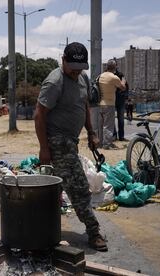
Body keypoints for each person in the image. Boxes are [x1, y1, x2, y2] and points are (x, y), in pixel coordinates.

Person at [34, 42, 107, 251]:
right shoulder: (55, 82)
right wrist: (44, 149)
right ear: (63, 60)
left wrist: (91, 132)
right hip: (58, 141)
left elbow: (83, 104)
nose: (76, 73)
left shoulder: (82, 77)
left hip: (71, 141)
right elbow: (39, 115)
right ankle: (94, 232)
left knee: (56, 186)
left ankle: (42, 227)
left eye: (80, 68)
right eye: (73, 68)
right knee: (79, 188)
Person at [98, 59, 126, 149]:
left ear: (107, 67)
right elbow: (122, 88)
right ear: (115, 67)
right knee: (108, 125)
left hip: (100, 103)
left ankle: (100, 143)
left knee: (101, 125)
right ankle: (107, 144)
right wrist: (123, 81)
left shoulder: (101, 76)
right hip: (109, 103)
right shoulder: (114, 77)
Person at [113, 64, 129, 141]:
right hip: (111, 99)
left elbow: (126, 86)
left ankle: (121, 137)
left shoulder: (121, 75)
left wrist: (125, 96)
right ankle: (114, 136)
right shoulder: (108, 75)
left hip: (120, 100)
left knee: (121, 119)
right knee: (111, 120)